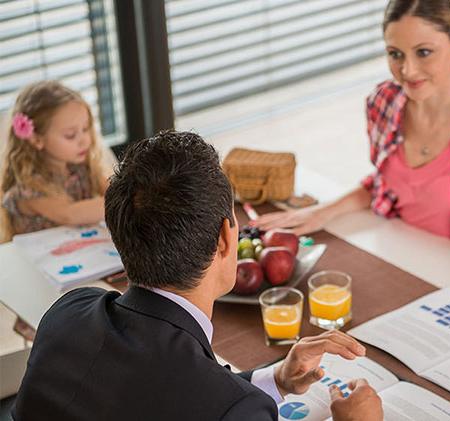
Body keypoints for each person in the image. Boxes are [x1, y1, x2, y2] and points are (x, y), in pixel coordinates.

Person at [12, 131, 383, 421]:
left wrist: (277, 380)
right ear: (226, 238)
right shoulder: (231, 409)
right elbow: (202, 402)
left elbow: (156, 400)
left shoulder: (68, 313)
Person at [257, 0, 450, 307]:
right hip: (399, 257)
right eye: (395, 54)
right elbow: (388, 183)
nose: (407, 70)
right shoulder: (384, 102)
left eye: (424, 52)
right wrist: (322, 212)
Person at [0, 81, 110, 241]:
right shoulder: (28, 189)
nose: (84, 140)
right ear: (37, 140)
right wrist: (124, 201)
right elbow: (70, 214)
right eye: (70, 135)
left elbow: (112, 190)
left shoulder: (83, 167)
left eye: (86, 129)